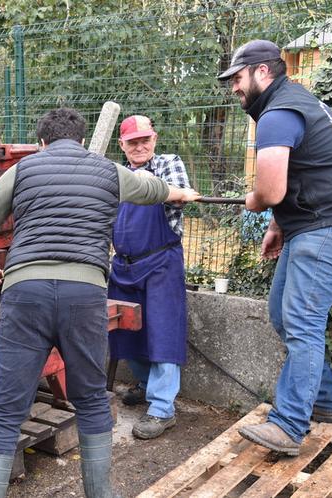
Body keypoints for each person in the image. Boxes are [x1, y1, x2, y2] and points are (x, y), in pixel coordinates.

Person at [0, 107, 200, 497]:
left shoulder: (22, 170)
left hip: (25, 293)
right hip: (86, 295)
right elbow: (156, 189)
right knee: (89, 399)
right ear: (82, 140)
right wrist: (184, 193)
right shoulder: (108, 170)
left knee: (6, 407)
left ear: (42, 142)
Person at [218, 40, 332, 456]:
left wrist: (258, 203)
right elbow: (306, 171)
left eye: (237, 78)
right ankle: (324, 404)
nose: (233, 88)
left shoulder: (278, 112)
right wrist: (278, 225)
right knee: (282, 314)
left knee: (302, 319)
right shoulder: (294, 102)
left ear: (262, 72)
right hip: (315, 224)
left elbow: (270, 188)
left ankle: (289, 426)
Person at [107, 115, 191, 440]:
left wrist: (139, 180)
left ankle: (162, 409)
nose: (140, 146)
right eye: (133, 142)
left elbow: (177, 192)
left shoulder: (168, 164)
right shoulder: (113, 175)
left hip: (161, 263)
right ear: (122, 145)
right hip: (123, 266)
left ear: (154, 139)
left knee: (163, 332)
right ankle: (145, 384)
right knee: (125, 332)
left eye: (145, 140)